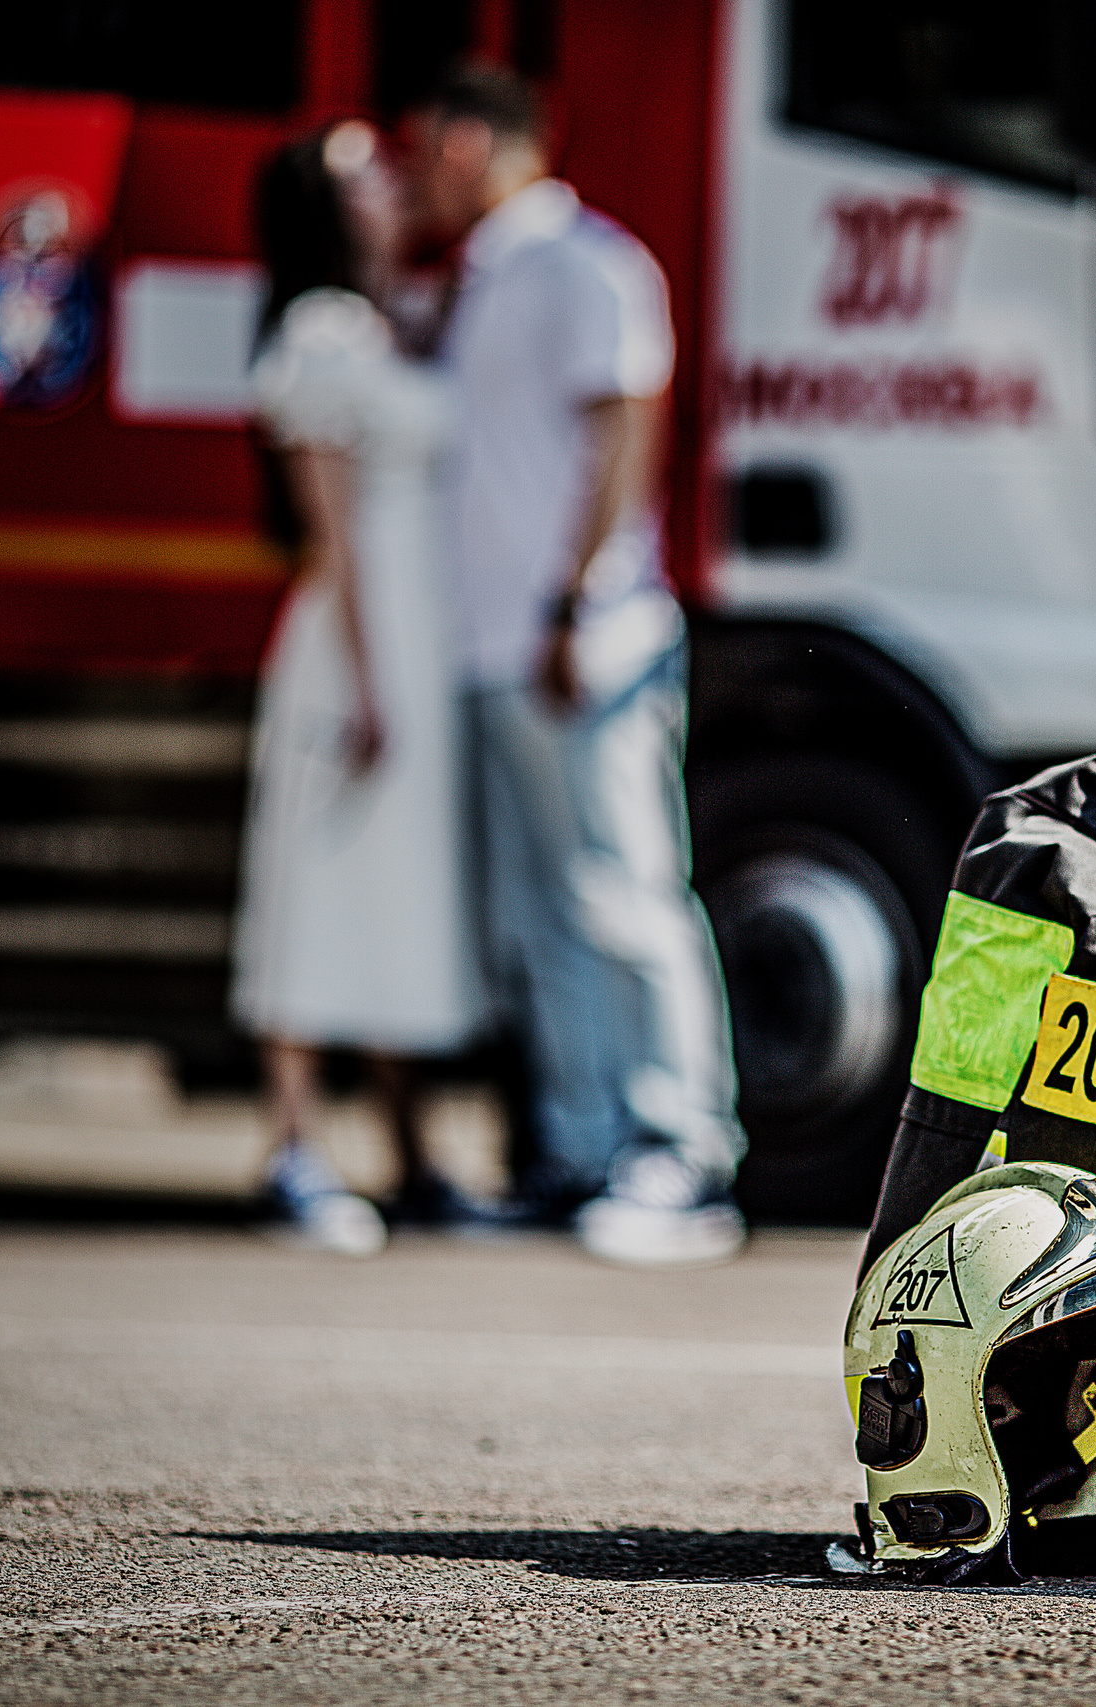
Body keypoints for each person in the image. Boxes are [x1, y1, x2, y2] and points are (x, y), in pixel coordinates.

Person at [406, 66, 748, 1269]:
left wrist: (572, 597)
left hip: (577, 636)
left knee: (621, 891)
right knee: (541, 911)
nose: (414, 171)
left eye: (424, 148)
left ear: (469, 141)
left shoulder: (582, 261)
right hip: (502, 644)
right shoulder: (488, 275)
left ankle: (683, 1148)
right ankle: (580, 1145)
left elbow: (626, 424)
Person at [233, 120, 487, 1255]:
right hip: (354, 652)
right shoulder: (324, 335)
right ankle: (291, 1144)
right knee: (317, 888)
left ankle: (409, 1149)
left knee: (399, 897)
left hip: (407, 656)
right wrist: (372, 684)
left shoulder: (395, 326)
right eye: (362, 176)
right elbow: (325, 533)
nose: (387, 183)